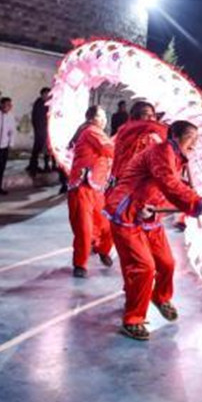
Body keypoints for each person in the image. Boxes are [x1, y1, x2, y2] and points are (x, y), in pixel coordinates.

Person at [104, 120, 202, 341]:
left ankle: (160, 297)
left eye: (197, 138)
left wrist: (198, 198)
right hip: (127, 212)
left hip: (149, 215)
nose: (195, 142)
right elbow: (168, 182)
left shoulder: (176, 156)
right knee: (143, 267)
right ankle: (132, 320)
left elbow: (171, 185)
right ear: (175, 137)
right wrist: (200, 204)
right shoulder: (162, 151)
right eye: (190, 137)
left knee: (167, 263)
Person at [67, 105, 115, 278]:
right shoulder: (91, 131)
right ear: (93, 118)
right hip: (83, 187)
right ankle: (80, 263)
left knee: (106, 224)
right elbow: (110, 149)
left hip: (96, 187)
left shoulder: (92, 132)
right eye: (102, 116)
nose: (104, 120)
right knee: (84, 228)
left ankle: (102, 249)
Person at [110, 101, 167, 184]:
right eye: (146, 114)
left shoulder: (156, 135)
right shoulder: (124, 133)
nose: (150, 118)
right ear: (136, 116)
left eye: (153, 115)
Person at [27, 87, 51, 175]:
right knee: (37, 149)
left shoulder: (48, 104)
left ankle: (45, 165)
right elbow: (37, 119)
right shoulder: (39, 104)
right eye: (46, 94)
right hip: (41, 130)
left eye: (49, 94)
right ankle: (33, 166)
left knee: (47, 149)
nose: (48, 96)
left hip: (46, 130)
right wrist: (39, 130)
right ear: (42, 94)